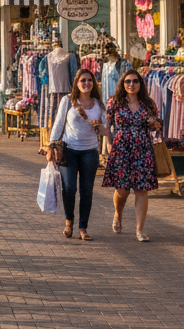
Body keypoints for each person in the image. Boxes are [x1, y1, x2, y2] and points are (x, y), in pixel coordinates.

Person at [46, 68, 109, 241]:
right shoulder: (68, 100)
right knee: (70, 188)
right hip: (69, 150)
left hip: (90, 151)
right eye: (83, 80)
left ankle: (83, 227)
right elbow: (58, 124)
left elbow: (107, 129)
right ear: (77, 83)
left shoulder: (99, 104)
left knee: (87, 191)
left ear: (93, 83)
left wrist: (101, 128)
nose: (86, 83)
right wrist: (51, 146)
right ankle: (69, 221)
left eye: (89, 80)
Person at [103, 69, 161, 241]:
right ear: (123, 83)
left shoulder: (148, 104)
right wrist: (106, 143)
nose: (131, 84)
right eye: (128, 81)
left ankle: (139, 230)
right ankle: (118, 214)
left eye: (135, 81)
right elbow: (108, 124)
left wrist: (155, 124)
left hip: (143, 149)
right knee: (122, 189)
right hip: (121, 148)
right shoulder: (114, 102)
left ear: (140, 84)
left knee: (142, 189)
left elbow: (156, 125)